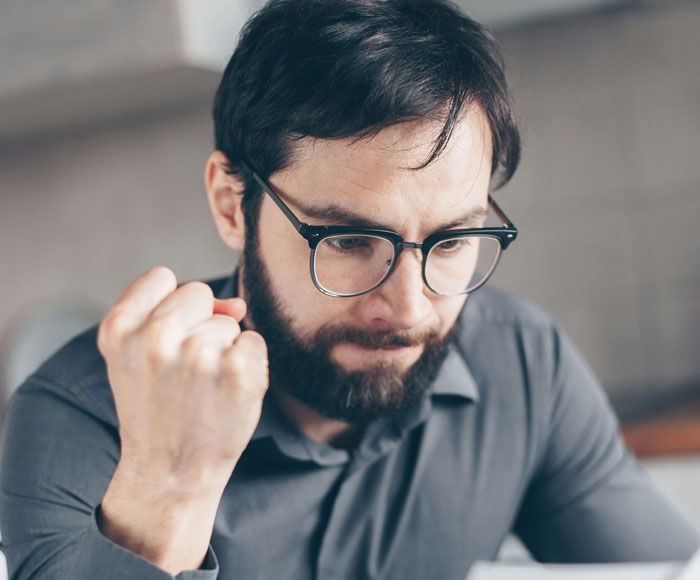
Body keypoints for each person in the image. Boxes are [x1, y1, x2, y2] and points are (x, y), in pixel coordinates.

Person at [1, 0, 698, 578]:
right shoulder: (82, 416)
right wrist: (170, 482)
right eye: (347, 241)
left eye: (451, 242)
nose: (410, 308)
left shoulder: (524, 366)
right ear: (228, 202)